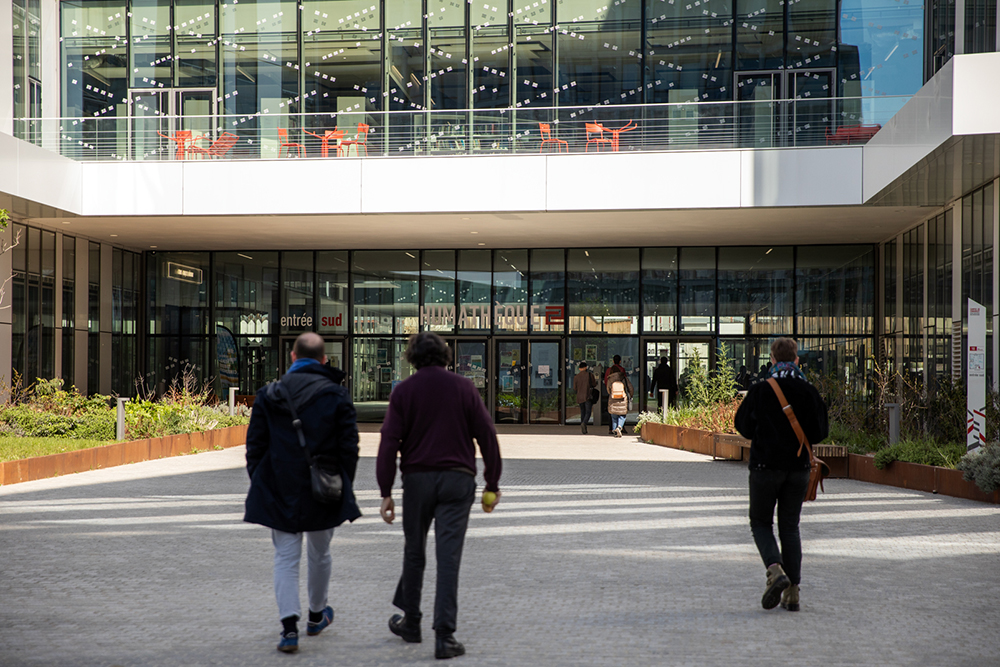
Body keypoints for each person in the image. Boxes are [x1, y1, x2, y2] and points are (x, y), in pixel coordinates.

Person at [378, 332, 503, 660]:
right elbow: (487, 434)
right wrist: (492, 483)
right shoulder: (464, 388)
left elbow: (389, 441)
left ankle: (412, 623)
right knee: (448, 558)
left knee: (414, 552)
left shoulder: (403, 391)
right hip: (458, 482)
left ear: (412, 358)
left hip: (417, 480)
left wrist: (385, 492)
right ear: (447, 356)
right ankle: (444, 637)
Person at [244, 331, 361, 653]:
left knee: (285, 557)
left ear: (293, 357)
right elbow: (349, 447)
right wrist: (341, 483)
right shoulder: (336, 395)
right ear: (324, 360)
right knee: (320, 552)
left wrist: (262, 481)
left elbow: (255, 447)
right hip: (324, 488)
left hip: (280, 486)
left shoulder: (270, 394)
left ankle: (288, 629)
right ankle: (316, 615)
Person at [734, 337, 828, 613]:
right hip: (798, 469)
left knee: (761, 522)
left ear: (772, 360)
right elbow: (821, 430)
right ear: (797, 360)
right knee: (790, 527)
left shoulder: (762, 390)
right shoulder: (808, 391)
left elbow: (743, 426)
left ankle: (775, 570)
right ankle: (793, 592)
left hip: (764, 468)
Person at [605, 359, 633, 438]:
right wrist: (631, 395)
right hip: (622, 398)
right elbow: (630, 387)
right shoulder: (623, 378)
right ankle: (619, 427)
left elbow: (608, 389)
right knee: (622, 415)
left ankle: (614, 430)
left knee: (614, 415)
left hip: (613, 398)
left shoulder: (610, 379)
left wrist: (611, 394)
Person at [573, 360, 598, 434]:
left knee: (582, 412)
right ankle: (584, 423)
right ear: (586, 367)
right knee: (588, 412)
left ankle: (583, 428)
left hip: (579, 397)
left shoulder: (576, 377)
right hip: (587, 396)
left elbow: (575, 388)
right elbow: (594, 384)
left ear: (579, 368)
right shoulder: (590, 375)